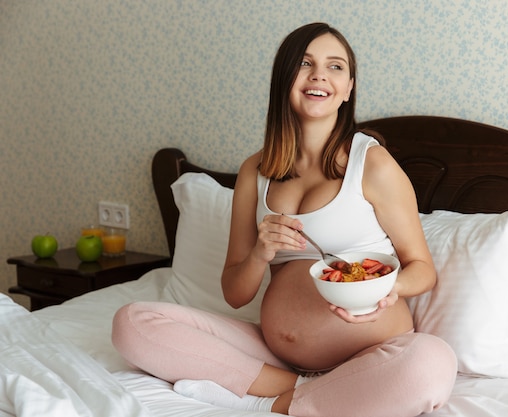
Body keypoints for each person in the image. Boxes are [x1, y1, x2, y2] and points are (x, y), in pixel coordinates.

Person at [112, 22, 457, 417]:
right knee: (133, 322)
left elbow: (423, 270)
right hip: (280, 358)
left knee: (431, 362)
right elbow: (235, 293)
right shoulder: (254, 172)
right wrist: (261, 252)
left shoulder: (372, 164)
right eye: (305, 63)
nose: (319, 75)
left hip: (376, 353)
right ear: (284, 79)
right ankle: (305, 392)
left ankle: (270, 402)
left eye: (335, 66)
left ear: (348, 88)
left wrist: (387, 289)